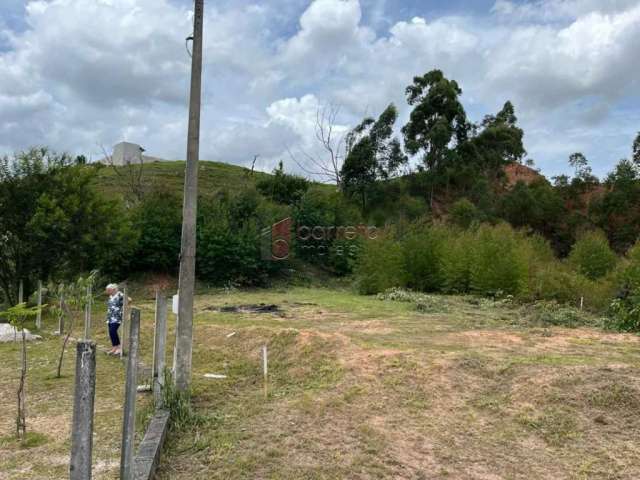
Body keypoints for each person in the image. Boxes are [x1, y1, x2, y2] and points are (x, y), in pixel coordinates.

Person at [105, 283, 124, 355]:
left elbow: (129, 300)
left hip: (117, 317)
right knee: (111, 332)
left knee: (113, 331)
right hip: (110, 317)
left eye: (108, 290)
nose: (107, 291)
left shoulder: (120, 295)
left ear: (113, 289)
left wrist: (123, 308)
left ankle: (119, 348)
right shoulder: (110, 296)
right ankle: (114, 347)